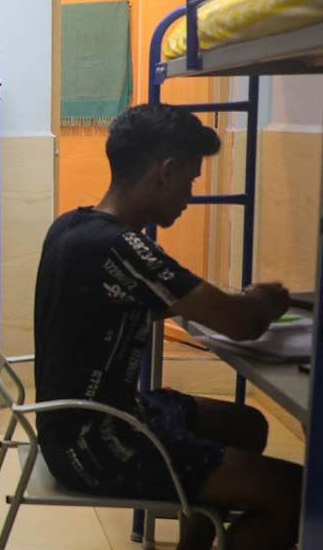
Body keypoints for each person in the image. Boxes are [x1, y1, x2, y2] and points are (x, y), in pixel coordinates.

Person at [34, 104, 302, 550]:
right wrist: (262, 301)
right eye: (191, 181)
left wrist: (217, 303)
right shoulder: (122, 247)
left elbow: (149, 300)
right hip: (96, 444)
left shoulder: (73, 226)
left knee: (247, 425)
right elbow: (240, 322)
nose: (190, 196)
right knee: (294, 492)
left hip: (82, 423)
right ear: (167, 171)